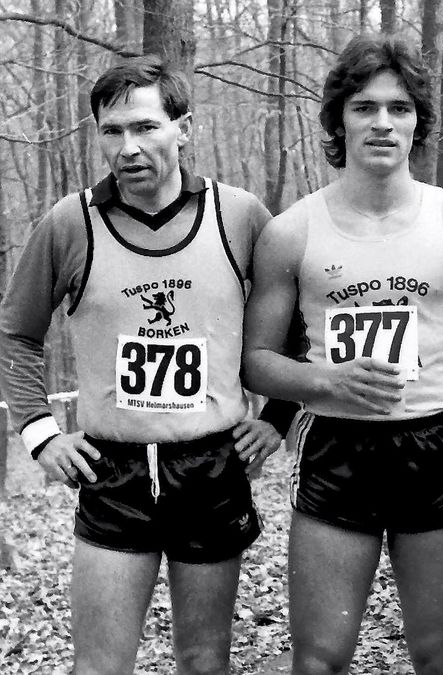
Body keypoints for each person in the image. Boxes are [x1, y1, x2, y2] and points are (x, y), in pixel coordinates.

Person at [240, 34, 443, 675]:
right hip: (337, 449)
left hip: (434, 446)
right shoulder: (291, 231)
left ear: (418, 121)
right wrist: (325, 381)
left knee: (441, 655)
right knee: (318, 659)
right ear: (339, 119)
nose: (383, 123)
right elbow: (255, 360)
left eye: (399, 108)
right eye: (365, 107)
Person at [0, 56, 286, 674]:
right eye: (112, 130)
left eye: (146, 127)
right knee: (100, 667)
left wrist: (279, 417)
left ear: (184, 128)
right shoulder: (70, 223)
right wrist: (40, 433)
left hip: (211, 467)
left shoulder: (240, 215)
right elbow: (16, 333)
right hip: (113, 472)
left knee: (204, 662)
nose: (128, 146)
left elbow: (294, 323)